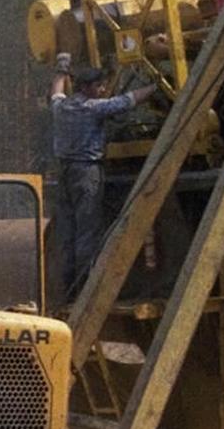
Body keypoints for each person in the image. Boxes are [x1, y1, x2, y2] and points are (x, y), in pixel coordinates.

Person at [50, 57, 153, 301]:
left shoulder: (62, 108)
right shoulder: (93, 108)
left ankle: (69, 289)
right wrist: (156, 86)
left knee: (68, 232)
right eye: (99, 86)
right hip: (87, 173)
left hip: (63, 174)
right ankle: (86, 289)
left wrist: (62, 68)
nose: (104, 89)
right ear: (86, 88)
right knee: (87, 231)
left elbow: (56, 91)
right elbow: (127, 100)